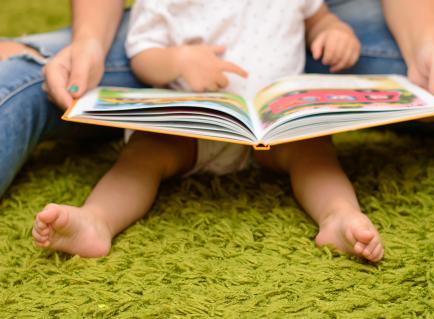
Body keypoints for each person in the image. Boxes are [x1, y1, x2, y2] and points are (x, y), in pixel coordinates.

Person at [31, 0, 385, 262]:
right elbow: (142, 54)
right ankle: (97, 220)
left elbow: (319, 18)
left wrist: (335, 33)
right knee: (142, 156)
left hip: (271, 128)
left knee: (314, 150)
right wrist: (180, 61)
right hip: (193, 123)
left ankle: (338, 215)